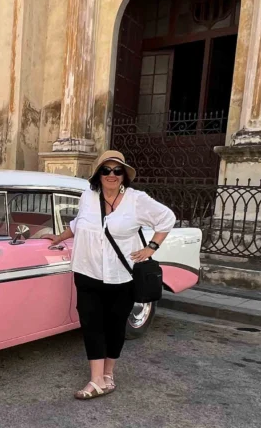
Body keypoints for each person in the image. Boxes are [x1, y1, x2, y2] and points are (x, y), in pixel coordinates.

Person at [43, 150, 175, 400]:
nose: (111, 175)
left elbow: (167, 218)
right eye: (106, 170)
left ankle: (108, 375)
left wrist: (151, 248)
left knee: (115, 326)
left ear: (124, 174)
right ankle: (95, 380)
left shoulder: (137, 199)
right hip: (86, 272)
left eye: (117, 170)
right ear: (98, 174)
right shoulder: (88, 196)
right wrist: (58, 237)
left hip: (121, 277)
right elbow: (77, 224)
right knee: (91, 325)